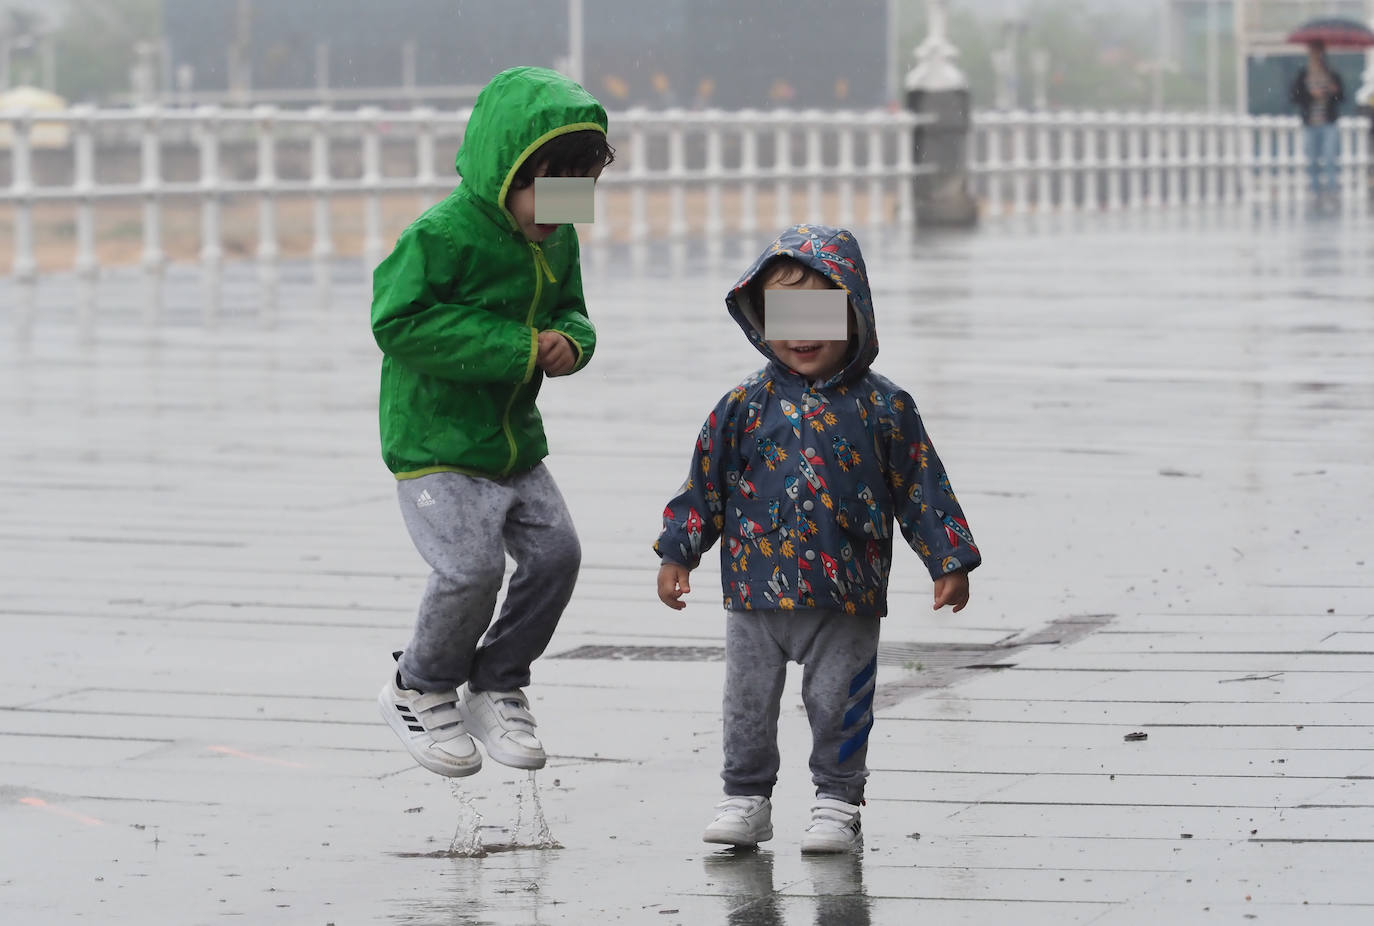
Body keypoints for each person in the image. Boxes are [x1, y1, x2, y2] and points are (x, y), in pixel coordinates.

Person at [654, 225, 981, 853]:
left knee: (840, 704)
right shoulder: (744, 404)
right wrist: (679, 548)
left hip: (846, 592)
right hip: (755, 594)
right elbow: (705, 482)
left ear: (854, 314)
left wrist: (949, 559)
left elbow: (921, 485)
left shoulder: (886, 407)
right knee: (747, 707)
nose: (801, 336)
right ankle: (746, 797)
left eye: (819, 316)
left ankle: (838, 800)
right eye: (785, 316)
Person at [371, 66, 613, 778]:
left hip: (513, 444)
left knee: (557, 555)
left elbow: (571, 309)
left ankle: (499, 680)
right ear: (503, 168)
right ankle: (419, 685)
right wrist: (515, 348)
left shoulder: (557, 234)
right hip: (436, 443)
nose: (561, 209)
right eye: (549, 186)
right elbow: (398, 321)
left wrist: (575, 342)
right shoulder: (442, 235)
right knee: (469, 569)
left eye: (579, 190)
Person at [1290, 40, 1345, 203]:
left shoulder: (1332, 75)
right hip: (1311, 123)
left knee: (1330, 158)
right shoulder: (1303, 75)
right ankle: (1315, 192)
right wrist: (1310, 94)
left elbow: (1342, 97)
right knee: (1312, 160)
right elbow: (1294, 97)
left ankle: (1332, 190)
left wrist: (1335, 91)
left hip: (1328, 123)